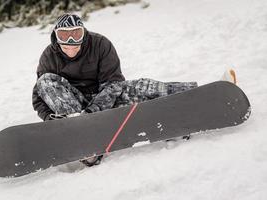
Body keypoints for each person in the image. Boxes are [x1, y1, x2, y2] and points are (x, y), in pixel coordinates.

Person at [32, 13, 236, 166]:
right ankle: (84, 142)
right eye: (64, 36)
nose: (70, 42)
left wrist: (94, 111)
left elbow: (114, 83)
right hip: (74, 106)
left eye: (76, 34)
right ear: (55, 37)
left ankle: (207, 93)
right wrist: (51, 119)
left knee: (146, 86)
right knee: (45, 81)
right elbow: (39, 95)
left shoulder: (100, 44)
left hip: (105, 97)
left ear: (83, 34)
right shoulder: (49, 56)